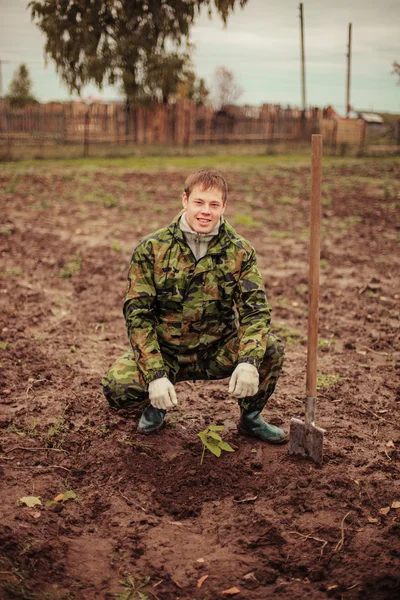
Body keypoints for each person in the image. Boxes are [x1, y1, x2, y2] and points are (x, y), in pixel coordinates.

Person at [102, 168, 288, 444]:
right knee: (118, 385)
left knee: (270, 348)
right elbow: (138, 315)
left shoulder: (240, 251)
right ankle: (156, 404)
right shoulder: (152, 248)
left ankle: (250, 419)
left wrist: (248, 362)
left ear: (224, 207)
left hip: (216, 350)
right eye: (199, 202)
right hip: (167, 352)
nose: (206, 211)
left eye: (214, 205)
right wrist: (154, 374)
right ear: (185, 200)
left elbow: (255, 310)